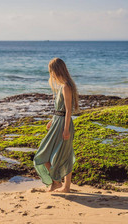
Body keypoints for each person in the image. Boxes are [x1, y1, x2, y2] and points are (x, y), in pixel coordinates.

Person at [33, 57, 79, 193]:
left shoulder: (66, 87)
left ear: (56, 70)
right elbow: (62, 110)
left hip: (63, 125)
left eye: (51, 71)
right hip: (58, 122)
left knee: (43, 155)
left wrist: (65, 129)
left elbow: (69, 110)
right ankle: (65, 186)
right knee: (64, 154)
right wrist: (53, 120)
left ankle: (58, 183)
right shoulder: (64, 86)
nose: (51, 74)